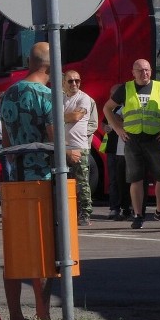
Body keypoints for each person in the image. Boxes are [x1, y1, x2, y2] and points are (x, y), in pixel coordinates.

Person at [0, 42, 54, 320]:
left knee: (15, 251)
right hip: (42, 181)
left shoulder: (8, 94)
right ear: (49, 65)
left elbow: (7, 143)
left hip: (14, 181)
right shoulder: (46, 96)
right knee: (43, 250)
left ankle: (15, 318)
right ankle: (44, 318)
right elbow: (53, 139)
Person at [103, 59, 160, 229]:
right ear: (132, 72)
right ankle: (138, 215)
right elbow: (107, 108)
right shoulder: (125, 88)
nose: (144, 73)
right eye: (140, 71)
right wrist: (118, 128)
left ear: (151, 70)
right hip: (132, 140)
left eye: (147, 70)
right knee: (136, 179)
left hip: (155, 139)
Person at [62, 70, 95, 226]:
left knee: (82, 182)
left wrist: (58, 116)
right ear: (64, 83)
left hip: (79, 147)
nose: (74, 84)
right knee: (63, 181)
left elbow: (76, 116)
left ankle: (85, 213)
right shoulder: (60, 98)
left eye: (77, 80)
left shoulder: (84, 98)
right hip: (62, 147)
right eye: (70, 81)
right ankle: (67, 212)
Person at [100, 85, 132, 220]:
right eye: (112, 95)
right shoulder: (111, 110)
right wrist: (106, 127)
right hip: (112, 149)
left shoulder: (125, 108)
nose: (114, 98)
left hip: (126, 149)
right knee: (114, 180)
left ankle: (127, 207)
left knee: (127, 180)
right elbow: (103, 124)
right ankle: (114, 208)